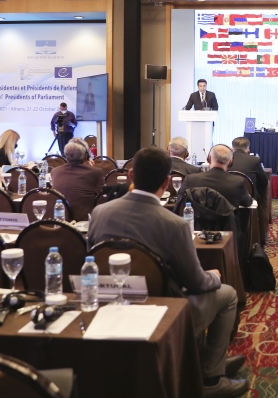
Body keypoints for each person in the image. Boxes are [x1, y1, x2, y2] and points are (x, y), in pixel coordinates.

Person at [88, 147, 248, 397]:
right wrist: (214, 276)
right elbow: (196, 283)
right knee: (227, 294)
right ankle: (210, 377)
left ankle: (202, 361)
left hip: (108, 304)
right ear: (166, 182)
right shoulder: (174, 224)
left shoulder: (99, 213)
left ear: (130, 175)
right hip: (163, 310)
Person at [177, 145, 253, 208]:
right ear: (230, 162)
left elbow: (179, 204)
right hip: (227, 222)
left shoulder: (191, 179)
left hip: (196, 222)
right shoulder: (237, 182)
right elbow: (247, 202)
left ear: (209, 158)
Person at [50, 142, 104, 220]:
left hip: (59, 219)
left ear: (66, 156)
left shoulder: (55, 171)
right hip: (83, 221)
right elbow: (101, 198)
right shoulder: (96, 172)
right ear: (86, 157)